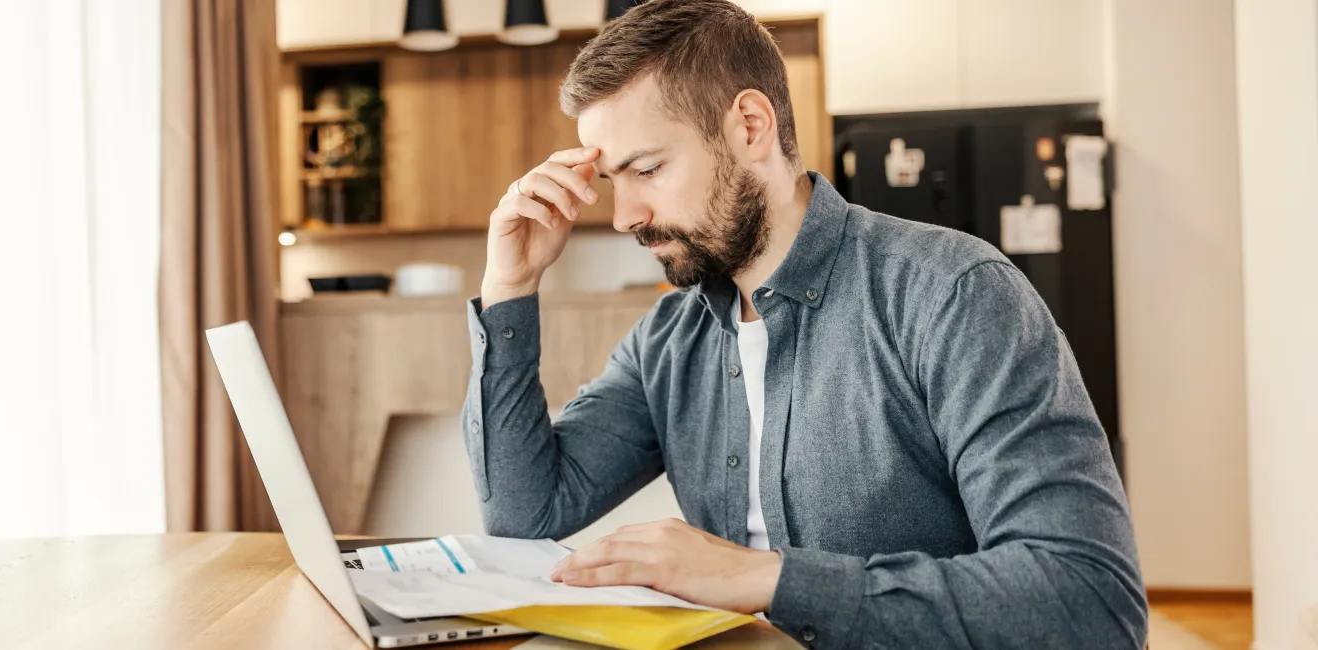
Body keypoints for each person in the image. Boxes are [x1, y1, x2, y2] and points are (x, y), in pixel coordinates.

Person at [460, 0, 1146, 647]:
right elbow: (524, 516)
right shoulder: (670, 341)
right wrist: (509, 286)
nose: (624, 216)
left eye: (647, 169)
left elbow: (1090, 603)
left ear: (749, 127)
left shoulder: (953, 295)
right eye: (614, 181)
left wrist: (761, 579)